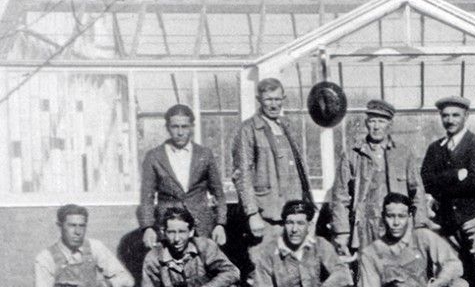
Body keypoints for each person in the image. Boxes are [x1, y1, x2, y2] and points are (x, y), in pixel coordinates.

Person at [420, 95, 475, 287]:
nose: (450, 120)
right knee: (458, 272)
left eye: (455, 115)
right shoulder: (435, 148)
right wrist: (457, 175)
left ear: (466, 116)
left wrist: (443, 185)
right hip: (448, 223)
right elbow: (427, 180)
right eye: (445, 115)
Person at [329, 99, 425, 254]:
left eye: (381, 121)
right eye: (372, 121)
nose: (376, 126)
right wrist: (342, 231)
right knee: (366, 271)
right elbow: (340, 196)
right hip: (365, 226)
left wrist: (420, 227)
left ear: (390, 125)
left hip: (397, 224)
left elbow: (417, 193)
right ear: (366, 124)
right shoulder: (352, 155)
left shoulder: (404, 154)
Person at [231, 78, 313, 243]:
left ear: (283, 98)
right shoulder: (248, 130)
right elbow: (242, 174)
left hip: (292, 215)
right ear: (259, 100)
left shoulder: (287, 126)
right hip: (266, 216)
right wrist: (252, 214)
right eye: (269, 99)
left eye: (277, 99)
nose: (274, 104)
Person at [137, 104, 227, 248]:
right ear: (167, 127)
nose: (180, 132)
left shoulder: (205, 154)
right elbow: (146, 198)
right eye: (175, 127)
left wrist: (220, 224)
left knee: (201, 269)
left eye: (184, 127)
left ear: (192, 127)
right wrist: (147, 227)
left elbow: (219, 194)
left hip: (201, 229)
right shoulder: (154, 156)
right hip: (169, 230)